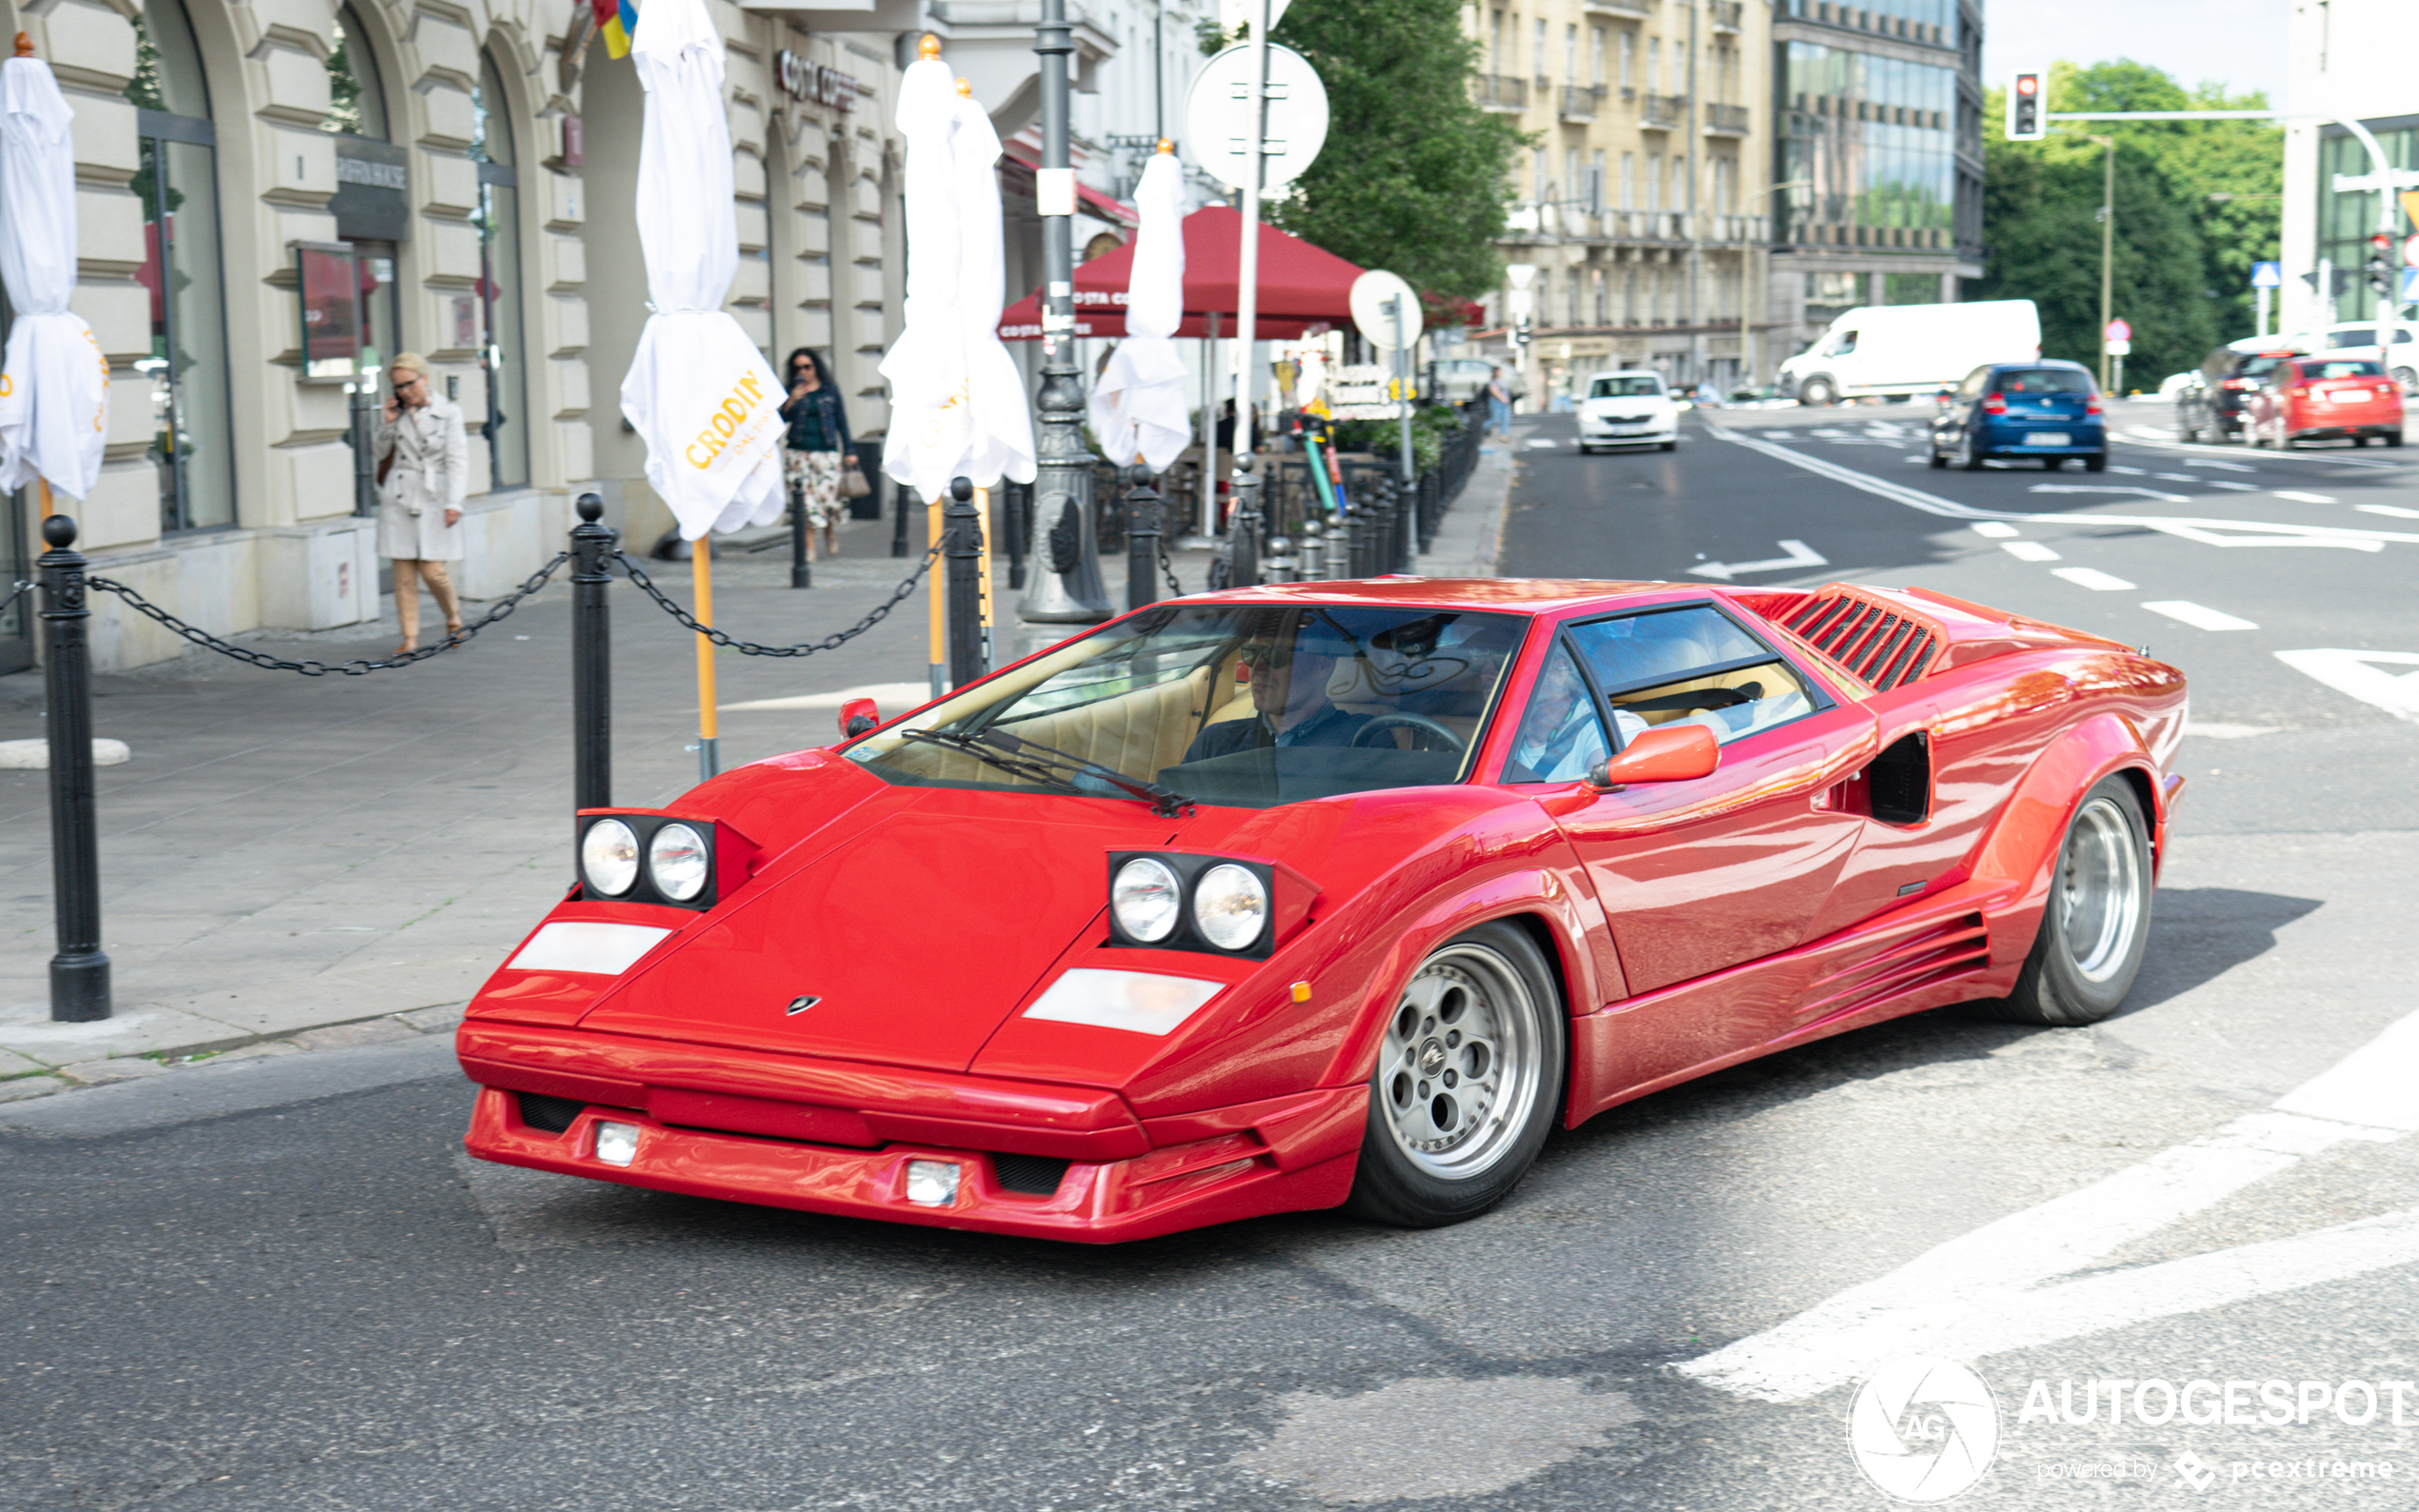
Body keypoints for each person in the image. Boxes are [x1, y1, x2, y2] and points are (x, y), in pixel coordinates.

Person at [375, 352, 467, 655]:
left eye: (409, 384)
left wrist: (454, 502)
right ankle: (410, 637)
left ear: (424, 379)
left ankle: (453, 616)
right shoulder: (397, 414)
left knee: (432, 571)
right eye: (398, 387)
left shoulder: (449, 413)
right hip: (400, 496)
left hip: (433, 496)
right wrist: (388, 423)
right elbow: (379, 452)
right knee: (403, 573)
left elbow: (457, 461)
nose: (404, 391)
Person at [1183, 628, 1370, 762]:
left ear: (1323, 664)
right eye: (1251, 653)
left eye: (1275, 655)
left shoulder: (1365, 740)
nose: (1257, 667)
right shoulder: (1215, 741)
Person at [778, 348, 854, 561]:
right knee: (806, 502)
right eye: (798, 368)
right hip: (798, 454)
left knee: (828, 499)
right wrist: (791, 400)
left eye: (807, 367)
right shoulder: (791, 391)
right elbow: (780, 420)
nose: (803, 372)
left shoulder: (829, 390)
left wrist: (850, 450)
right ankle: (809, 546)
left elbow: (841, 421)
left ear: (816, 367)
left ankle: (829, 532)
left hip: (826, 452)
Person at [1485, 368, 1512, 438]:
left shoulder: (1503, 381)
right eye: (1497, 372)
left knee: (1505, 419)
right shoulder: (1493, 382)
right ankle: (1482, 428)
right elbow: (1494, 391)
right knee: (1495, 419)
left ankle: (1503, 435)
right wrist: (1502, 398)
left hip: (1505, 402)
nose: (1499, 373)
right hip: (1496, 402)